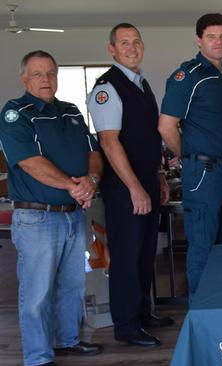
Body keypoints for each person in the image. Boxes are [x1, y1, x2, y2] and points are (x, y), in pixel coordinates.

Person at [0, 50, 103, 366]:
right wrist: (74, 186)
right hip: (36, 217)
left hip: (72, 214)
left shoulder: (71, 111)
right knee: (37, 292)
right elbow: (31, 163)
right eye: (38, 74)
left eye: (51, 73)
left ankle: (67, 340)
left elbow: (93, 152)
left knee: (72, 286)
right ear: (24, 78)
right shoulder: (15, 113)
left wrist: (92, 180)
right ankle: (38, 356)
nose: (46, 79)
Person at [87, 23, 172, 347]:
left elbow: (147, 140)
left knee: (146, 252)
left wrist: (159, 176)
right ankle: (126, 325)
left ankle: (143, 312)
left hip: (146, 181)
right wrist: (135, 187)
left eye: (136, 41)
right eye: (124, 43)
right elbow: (109, 143)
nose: (132, 47)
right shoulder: (108, 87)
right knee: (126, 255)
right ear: (112, 49)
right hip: (125, 189)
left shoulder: (141, 84)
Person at [158, 13, 222, 301]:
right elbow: (166, 125)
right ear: (199, 40)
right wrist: (187, 155)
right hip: (204, 174)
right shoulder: (188, 76)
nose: (218, 42)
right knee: (203, 248)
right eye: (211, 36)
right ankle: (200, 315)